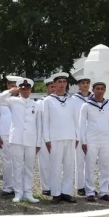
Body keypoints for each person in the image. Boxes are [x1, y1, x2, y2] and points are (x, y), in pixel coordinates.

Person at [0, 78, 41, 203]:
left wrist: (38, 143)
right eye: (22, 88)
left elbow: (39, 125)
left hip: (31, 139)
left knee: (29, 167)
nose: (24, 91)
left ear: (30, 90)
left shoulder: (36, 104)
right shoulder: (13, 101)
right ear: (19, 89)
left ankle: (28, 192)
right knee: (16, 166)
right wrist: (11, 91)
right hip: (16, 138)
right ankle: (18, 193)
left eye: (27, 89)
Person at [42, 72, 78, 204]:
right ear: (54, 84)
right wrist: (47, 139)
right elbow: (45, 121)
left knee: (69, 166)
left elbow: (75, 119)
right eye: (59, 82)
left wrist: (77, 135)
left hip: (70, 136)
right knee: (55, 167)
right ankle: (56, 193)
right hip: (55, 137)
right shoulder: (48, 101)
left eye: (64, 82)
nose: (62, 85)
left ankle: (66, 192)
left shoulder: (71, 100)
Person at [79, 81, 109, 202]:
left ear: (104, 90)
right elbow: (82, 124)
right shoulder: (86, 105)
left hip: (106, 139)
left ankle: (103, 191)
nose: (100, 91)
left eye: (102, 89)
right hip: (91, 139)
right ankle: (89, 191)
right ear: (93, 90)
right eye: (98, 89)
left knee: (104, 166)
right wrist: (83, 141)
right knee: (89, 166)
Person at [0, 75, 20, 196]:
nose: (14, 87)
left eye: (16, 85)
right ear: (7, 85)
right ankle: (7, 187)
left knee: (19, 161)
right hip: (5, 133)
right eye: (11, 85)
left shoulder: (23, 98)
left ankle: (18, 187)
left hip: (19, 135)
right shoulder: (2, 99)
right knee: (6, 161)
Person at [71, 75, 93, 196]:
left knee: (90, 161)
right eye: (82, 82)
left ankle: (89, 185)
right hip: (78, 131)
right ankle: (80, 186)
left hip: (91, 132)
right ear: (78, 85)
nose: (85, 85)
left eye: (87, 82)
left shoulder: (93, 97)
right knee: (79, 160)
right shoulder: (74, 99)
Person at [37, 77, 56, 196]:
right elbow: (38, 122)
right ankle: (46, 186)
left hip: (56, 136)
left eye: (55, 86)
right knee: (44, 163)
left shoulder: (60, 101)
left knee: (56, 163)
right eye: (51, 87)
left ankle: (55, 186)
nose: (53, 89)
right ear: (47, 88)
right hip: (43, 136)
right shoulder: (40, 102)